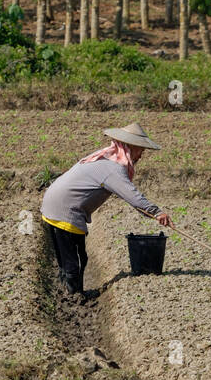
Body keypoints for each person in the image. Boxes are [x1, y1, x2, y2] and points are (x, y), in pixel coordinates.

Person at [40, 123, 171, 297]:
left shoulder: (105, 159)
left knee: (68, 256)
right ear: (130, 147)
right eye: (141, 150)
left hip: (54, 205)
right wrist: (156, 212)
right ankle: (74, 296)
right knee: (77, 259)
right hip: (66, 211)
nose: (141, 155)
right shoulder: (113, 168)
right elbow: (131, 195)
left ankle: (67, 289)